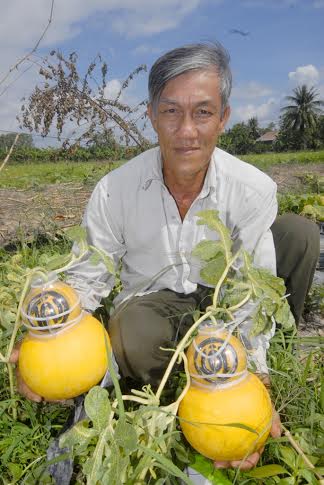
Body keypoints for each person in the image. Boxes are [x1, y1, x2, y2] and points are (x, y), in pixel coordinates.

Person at [12, 42, 319, 471]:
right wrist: (48, 335)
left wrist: (253, 377)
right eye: (171, 112)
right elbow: (87, 277)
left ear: (223, 118)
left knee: (300, 235)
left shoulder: (252, 188)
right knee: (130, 333)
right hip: (157, 299)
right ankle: (170, 384)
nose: (186, 130)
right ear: (152, 115)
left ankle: (266, 350)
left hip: (226, 296)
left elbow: (252, 286)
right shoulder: (114, 190)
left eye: (203, 112)